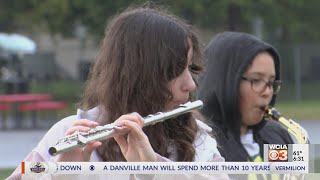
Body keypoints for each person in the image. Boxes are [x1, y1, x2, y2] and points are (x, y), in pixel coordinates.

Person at [8, 6, 229, 180]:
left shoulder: (197, 139)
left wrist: (156, 170)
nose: (190, 85)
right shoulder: (66, 133)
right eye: (174, 72)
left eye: (190, 68)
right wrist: (58, 175)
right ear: (137, 76)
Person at [197, 32, 308, 179]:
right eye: (256, 80)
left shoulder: (275, 135)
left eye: (271, 83)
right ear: (225, 82)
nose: (268, 92)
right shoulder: (201, 144)